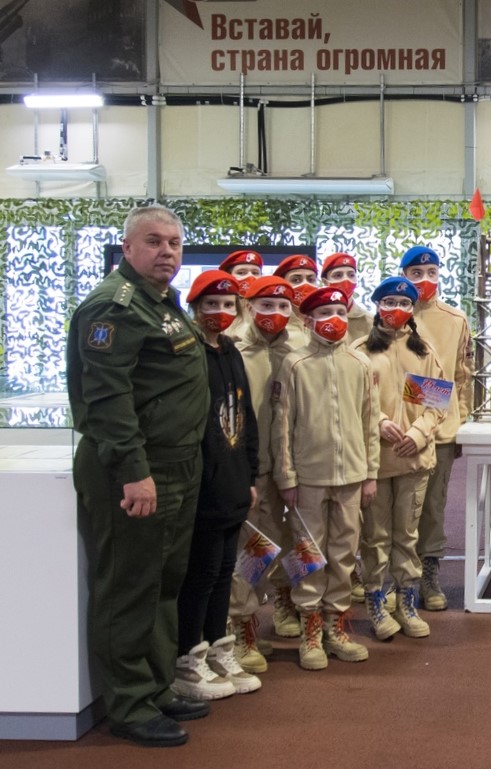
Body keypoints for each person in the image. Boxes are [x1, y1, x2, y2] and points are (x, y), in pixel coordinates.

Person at [67, 205, 210, 747]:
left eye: (174, 243)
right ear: (127, 248)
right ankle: (127, 704)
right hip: (136, 470)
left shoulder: (162, 303)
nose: (167, 252)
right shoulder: (114, 306)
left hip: (177, 465)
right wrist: (133, 472)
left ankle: (153, 686)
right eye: (153, 241)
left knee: (163, 583)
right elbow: (106, 398)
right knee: (128, 585)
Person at [272, 286, 381, 670]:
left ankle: (336, 627)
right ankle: (310, 629)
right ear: (308, 320)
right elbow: (282, 425)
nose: (333, 319)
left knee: (344, 553)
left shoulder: (360, 363)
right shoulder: (295, 364)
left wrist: (370, 473)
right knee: (308, 551)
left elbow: (369, 423)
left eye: (338, 311)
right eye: (323, 313)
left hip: (351, 475)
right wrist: (286, 476)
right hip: (309, 478)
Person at [172, 270, 261, 698]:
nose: (220, 312)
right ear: (194, 308)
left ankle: (217, 648)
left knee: (226, 570)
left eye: (228, 305)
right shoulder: (188, 353)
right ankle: (188, 657)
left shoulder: (231, 352)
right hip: (203, 482)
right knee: (202, 572)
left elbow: (245, 417)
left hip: (233, 479)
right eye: (211, 305)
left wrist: (250, 472)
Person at [357, 277, 446, 640]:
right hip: (375, 461)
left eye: (404, 303)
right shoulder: (361, 352)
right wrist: (379, 422)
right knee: (375, 537)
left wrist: (418, 434)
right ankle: (377, 603)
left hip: (414, 459)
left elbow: (435, 405)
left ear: (412, 309)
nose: (397, 309)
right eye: (390, 302)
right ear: (378, 306)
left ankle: (407, 603)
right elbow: (353, 402)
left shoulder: (422, 352)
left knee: (407, 535)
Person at [227, 276, 302, 673]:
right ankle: (240, 626)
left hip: (287, 468)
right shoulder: (233, 348)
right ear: (249, 306)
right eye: (266, 305)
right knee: (248, 549)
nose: (275, 313)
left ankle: (275, 610)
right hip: (248, 470)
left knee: (279, 545)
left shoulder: (298, 349)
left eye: (284, 306)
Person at [402, 245, 473, 612]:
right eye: (416, 274)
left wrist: (462, 421)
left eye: (431, 272)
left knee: (432, 505)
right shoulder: (390, 315)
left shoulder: (455, 319)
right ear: (403, 275)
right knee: (394, 507)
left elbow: (463, 375)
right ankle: (397, 576)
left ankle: (428, 574)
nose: (425, 280)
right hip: (397, 429)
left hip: (440, 428)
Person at [320, 251, 374, 344]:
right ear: (325, 282)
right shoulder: (315, 318)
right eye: (338, 275)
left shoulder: (370, 321)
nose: (346, 280)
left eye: (351, 275)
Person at [272, 253, 318, 345]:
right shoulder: (274, 325)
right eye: (296, 280)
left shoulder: (325, 320)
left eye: (311, 280)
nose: (305, 285)